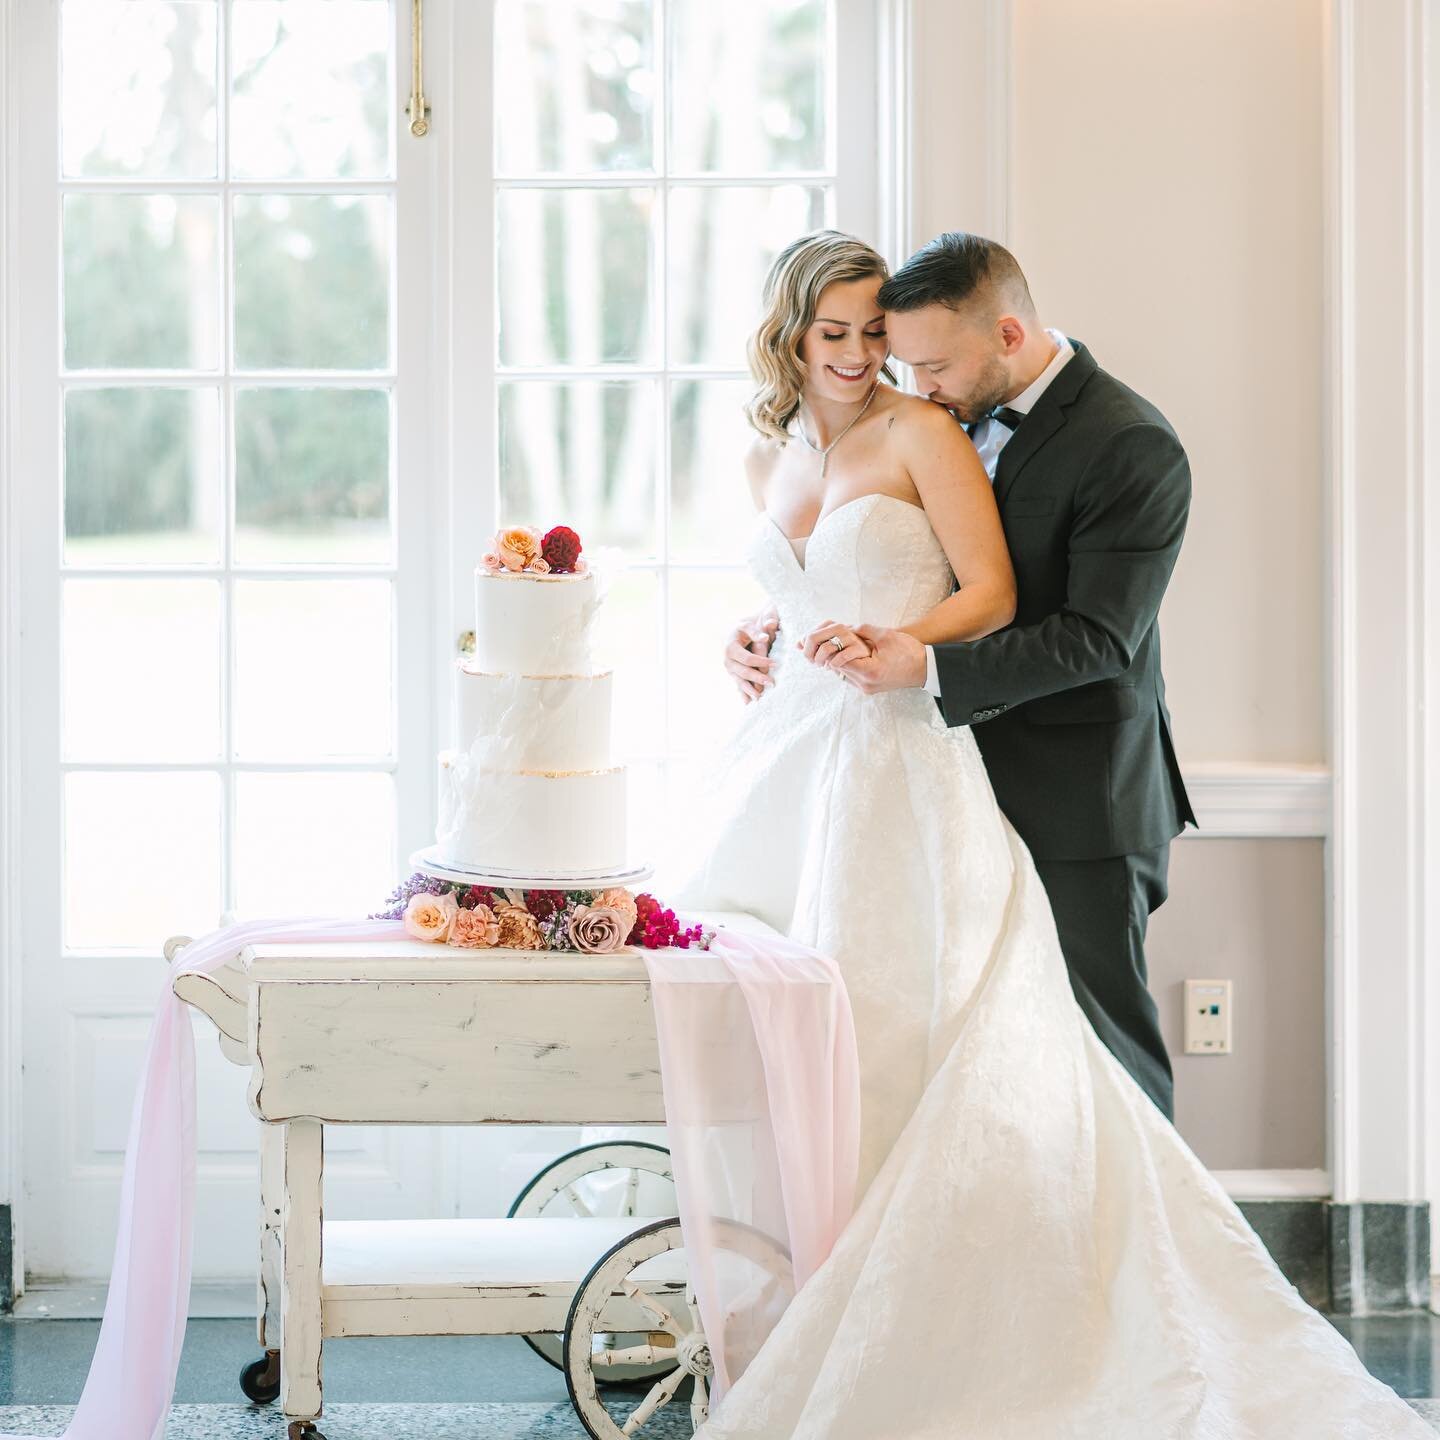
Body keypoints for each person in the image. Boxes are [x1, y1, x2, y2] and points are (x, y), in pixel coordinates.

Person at [666, 229, 1428, 1437]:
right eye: (863, 345)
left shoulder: (1131, 444)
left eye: (924, 360)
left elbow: (1092, 639)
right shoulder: (921, 417)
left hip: (1077, 795)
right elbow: (874, 560)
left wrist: (919, 657)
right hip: (919, 779)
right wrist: (772, 627)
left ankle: (1141, 1322)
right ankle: (932, 1308)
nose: (903, 379)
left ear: (1002, 337)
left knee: (1098, 1070)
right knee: (927, 1067)